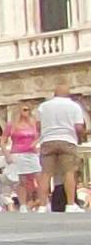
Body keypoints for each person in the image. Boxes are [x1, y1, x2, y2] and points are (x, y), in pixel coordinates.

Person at [37, 83, 87, 212]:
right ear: (68, 94)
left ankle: (42, 206)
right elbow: (79, 127)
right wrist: (80, 138)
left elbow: (38, 126)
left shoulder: (43, 106)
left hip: (48, 141)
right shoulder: (74, 106)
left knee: (45, 174)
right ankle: (70, 204)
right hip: (67, 140)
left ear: (55, 94)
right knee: (69, 173)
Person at [4, 105, 43, 210]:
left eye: (29, 110)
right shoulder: (11, 125)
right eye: (25, 109)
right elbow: (2, 141)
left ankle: (40, 202)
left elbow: (42, 134)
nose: (28, 112)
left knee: (40, 178)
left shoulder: (33, 124)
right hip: (18, 153)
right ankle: (23, 205)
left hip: (32, 154)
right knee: (22, 181)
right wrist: (7, 155)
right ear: (19, 111)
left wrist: (34, 143)